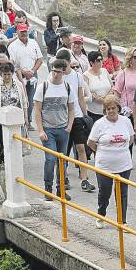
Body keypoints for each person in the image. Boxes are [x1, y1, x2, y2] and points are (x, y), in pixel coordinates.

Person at [87, 95, 135, 228]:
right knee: (105, 192)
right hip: (104, 165)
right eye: (108, 109)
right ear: (104, 110)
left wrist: (120, 149)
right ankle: (101, 215)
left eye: (113, 108)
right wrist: (103, 151)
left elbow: (130, 139)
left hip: (124, 164)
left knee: (122, 193)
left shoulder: (125, 121)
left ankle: (122, 221)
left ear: (118, 108)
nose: (111, 111)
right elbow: (90, 143)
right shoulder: (99, 124)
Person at [34, 59, 76, 201]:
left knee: (62, 160)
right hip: (48, 129)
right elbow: (37, 110)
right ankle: (48, 188)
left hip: (63, 129)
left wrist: (70, 125)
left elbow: (71, 108)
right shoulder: (43, 87)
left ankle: (61, 189)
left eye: (59, 72)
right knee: (50, 159)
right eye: (54, 71)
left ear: (63, 72)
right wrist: (40, 130)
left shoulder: (67, 87)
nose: (56, 74)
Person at [55, 49, 95, 193]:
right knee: (64, 151)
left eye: (63, 63)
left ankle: (84, 179)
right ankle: (63, 177)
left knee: (81, 148)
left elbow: (80, 97)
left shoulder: (77, 76)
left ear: (68, 61)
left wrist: (85, 115)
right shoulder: (56, 76)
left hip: (77, 116)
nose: (61, 67)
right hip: (63, 118)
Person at [0, 61, 28, 166]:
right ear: (1, 74)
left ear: (12, 73)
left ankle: (11, 167)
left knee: (13, 146)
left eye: (9, 74)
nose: (7, 76)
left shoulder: (18, 84)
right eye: (4, 74)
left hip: (15, 122)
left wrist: (26, 118)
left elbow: (24, 102)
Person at [8, 23, 43, 129]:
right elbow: (12, 64)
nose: (24, 33)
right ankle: (20, 120)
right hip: (19, 75)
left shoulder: (33, 43)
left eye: (25, 31)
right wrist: (24, 72)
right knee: (20, 98)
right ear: (17, 32)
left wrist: (32, 71)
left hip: (33, 75)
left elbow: (40, 59)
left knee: (31, 98)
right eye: (21, 31)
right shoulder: (12, 46)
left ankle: (28, 121)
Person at [113, 47, 136, 121]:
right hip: (128, 112)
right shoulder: (123, 74)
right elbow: (116, 94)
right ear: (130, 58)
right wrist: (118, 110)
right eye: (135, 57)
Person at [83, 50, 113, 123]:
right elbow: (85, 93)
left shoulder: (105, 71)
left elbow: (112, 87)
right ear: (91, 63)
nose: (101, 62)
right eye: (98, 60)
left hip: (108, 109)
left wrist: (106, 99)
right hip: (94, 112)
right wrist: (96, 98)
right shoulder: (85, 75)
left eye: (101, 60)